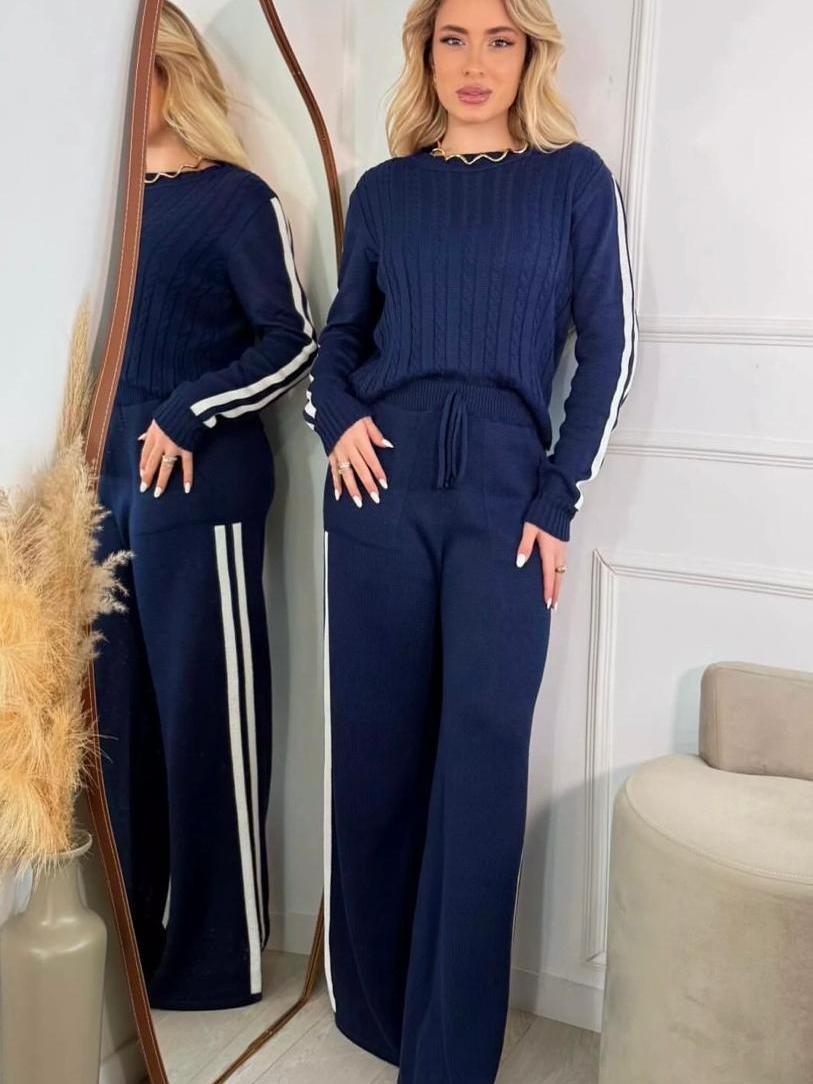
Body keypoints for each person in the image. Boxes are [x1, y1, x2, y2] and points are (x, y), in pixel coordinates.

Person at [304, 0, 638, 1079]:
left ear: (530, 51)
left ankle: (447, 1058)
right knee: (377, 755)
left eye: (500, 39)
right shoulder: (386, 191)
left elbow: (610, 349)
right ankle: (379, 1016)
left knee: (480, 765)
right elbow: (340, 340)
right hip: (378, 485)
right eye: (454, 38)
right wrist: (336, 416)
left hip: (505, 494)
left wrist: (556, 499)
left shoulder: (572, 181)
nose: (475, 62)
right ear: (426, 52)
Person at [93, 1, 316, 1010]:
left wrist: (190, 411)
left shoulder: (234, 197)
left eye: (133, 71)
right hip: (105, 486)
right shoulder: (107, 206)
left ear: (170, 71)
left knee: (205, 720)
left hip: (201, 488)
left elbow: (290, 339)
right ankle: (135, 948)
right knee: (121, 723)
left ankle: (220, 960)